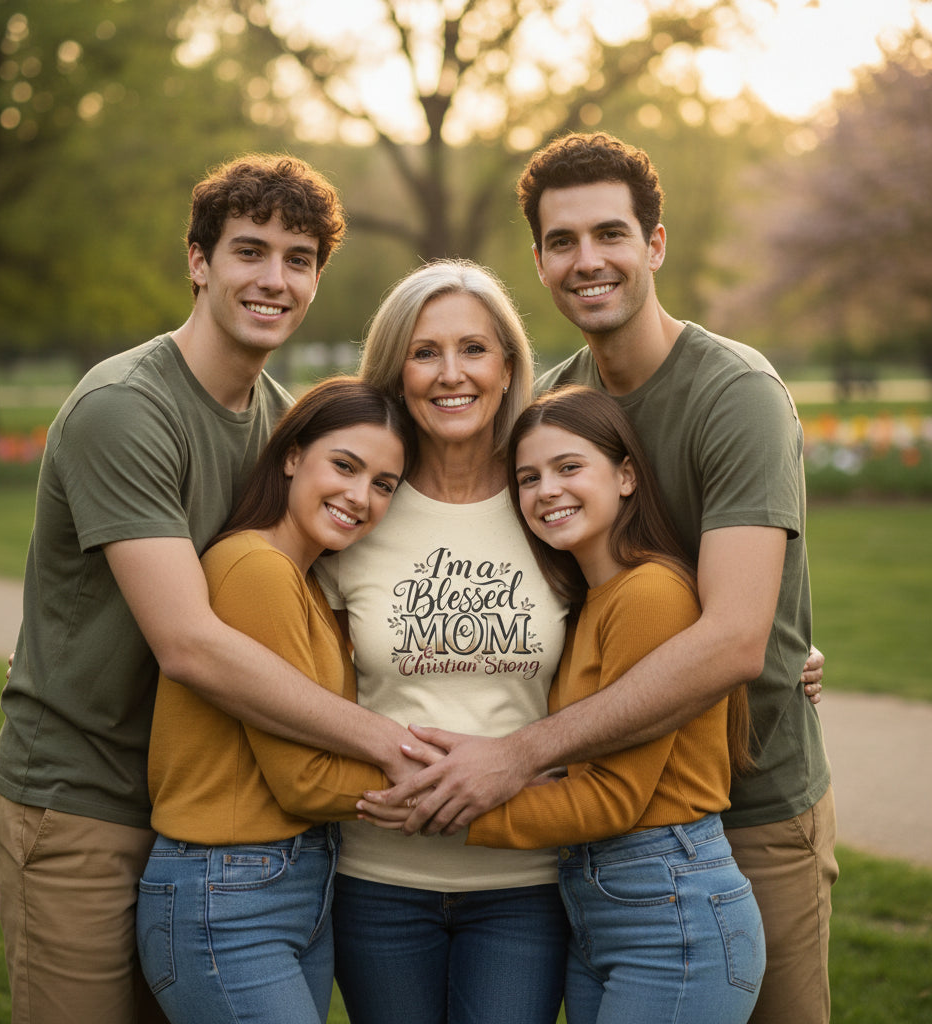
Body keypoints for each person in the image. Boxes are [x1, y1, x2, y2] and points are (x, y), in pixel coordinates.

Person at [369, 132, 837, 1024]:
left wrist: (515, 758)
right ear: (540, 263)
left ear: (653, 245)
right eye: (562, 242)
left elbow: (736, 636)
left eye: (611, 234)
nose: (589, 261)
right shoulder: (554, 408)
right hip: (597, 838)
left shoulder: (733, 393)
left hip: (750, 801)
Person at [0, 153, 434, 1024]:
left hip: (195, 817)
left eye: (298, 259)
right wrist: (389, 743)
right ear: (199, 261)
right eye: (250, 251)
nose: (275, 279)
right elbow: (188, 643)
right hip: (81, 799)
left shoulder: (283, 424)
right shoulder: (127, 408)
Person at [314, 260, 572, 1023]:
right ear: (395, 369)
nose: (450, 374)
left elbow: (646, 621)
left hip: (524, 886)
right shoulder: (357, 507)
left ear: (508, 366)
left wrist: (793, 659)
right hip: (376, 881)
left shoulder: (550, 499)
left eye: (473, 349)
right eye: (425, 352)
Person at [137, 377, 413, 1024]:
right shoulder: (255, 569)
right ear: (292, 455)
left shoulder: (308, 582)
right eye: (344, 466)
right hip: (227, 890)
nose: (359, 496)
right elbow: (305, 782)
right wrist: (460, 778)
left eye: (383, 484)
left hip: (290, 882)